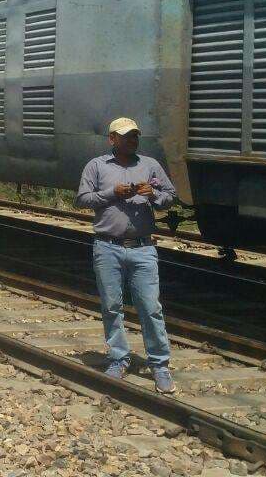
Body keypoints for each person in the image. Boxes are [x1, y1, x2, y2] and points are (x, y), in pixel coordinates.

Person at [76, 117, 178, 394]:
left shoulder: (150, 165)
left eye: (135, 136)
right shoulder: (96, 166)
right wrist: (111, 193)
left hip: (143, 248)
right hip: (107, 246)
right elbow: (82, 199)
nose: (132, 140)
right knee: (111, 306)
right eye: (126, 136)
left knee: (150, 307)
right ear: (112, 139)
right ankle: (118, 358)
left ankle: (159, 364)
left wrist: (154, 193)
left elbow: (171, 196)